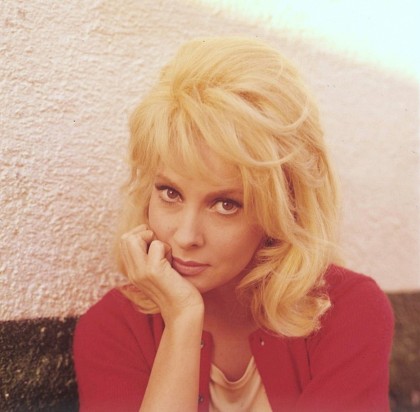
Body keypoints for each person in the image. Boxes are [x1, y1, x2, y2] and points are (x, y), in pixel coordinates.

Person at [73, 37, 394, 412]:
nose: (186, 236)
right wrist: (182, 321)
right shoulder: (114, 328)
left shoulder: (347, 311)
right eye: (170, 193)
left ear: (283, 207)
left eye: (226, 204)